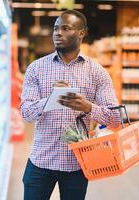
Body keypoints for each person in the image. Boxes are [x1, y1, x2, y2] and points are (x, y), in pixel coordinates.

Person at [20, 10, 121, 200]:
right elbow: (26, 113)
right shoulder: (36, 68)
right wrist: (51, 99)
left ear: (81, 33)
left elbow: (116, 118)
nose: (58, 33)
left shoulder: (98, 73)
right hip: (41, 159)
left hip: (77, 162)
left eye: (65, 28)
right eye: (56, 28)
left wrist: (88, 107)